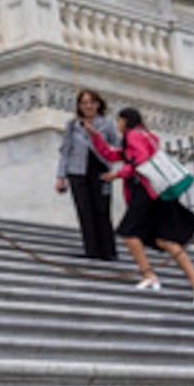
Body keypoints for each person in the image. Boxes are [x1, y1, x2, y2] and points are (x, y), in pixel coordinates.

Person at [84, 106, 194, 305]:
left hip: (145, 192)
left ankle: (149, 274)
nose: (117, 124)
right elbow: (111, 154)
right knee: (165, 240)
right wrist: (95, 136)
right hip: (157, 192)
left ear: (125, 121)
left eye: (119, 120)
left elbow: (140, 160)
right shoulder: (142, 136)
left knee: (128, 232)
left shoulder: (134, 136)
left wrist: (117, 174)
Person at [55, 88, 120, 260]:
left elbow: (118, 145)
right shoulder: (72, 125)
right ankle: (91, 249)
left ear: (98, 104)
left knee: (102, 209)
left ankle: (108, 250)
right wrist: (60, 176)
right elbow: (65, 151)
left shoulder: (107, 123)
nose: (88, 106)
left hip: (101, 171)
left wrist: (96, 136)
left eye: (91, 102)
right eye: (84, 103)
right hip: (77, 171)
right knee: (84, 210)